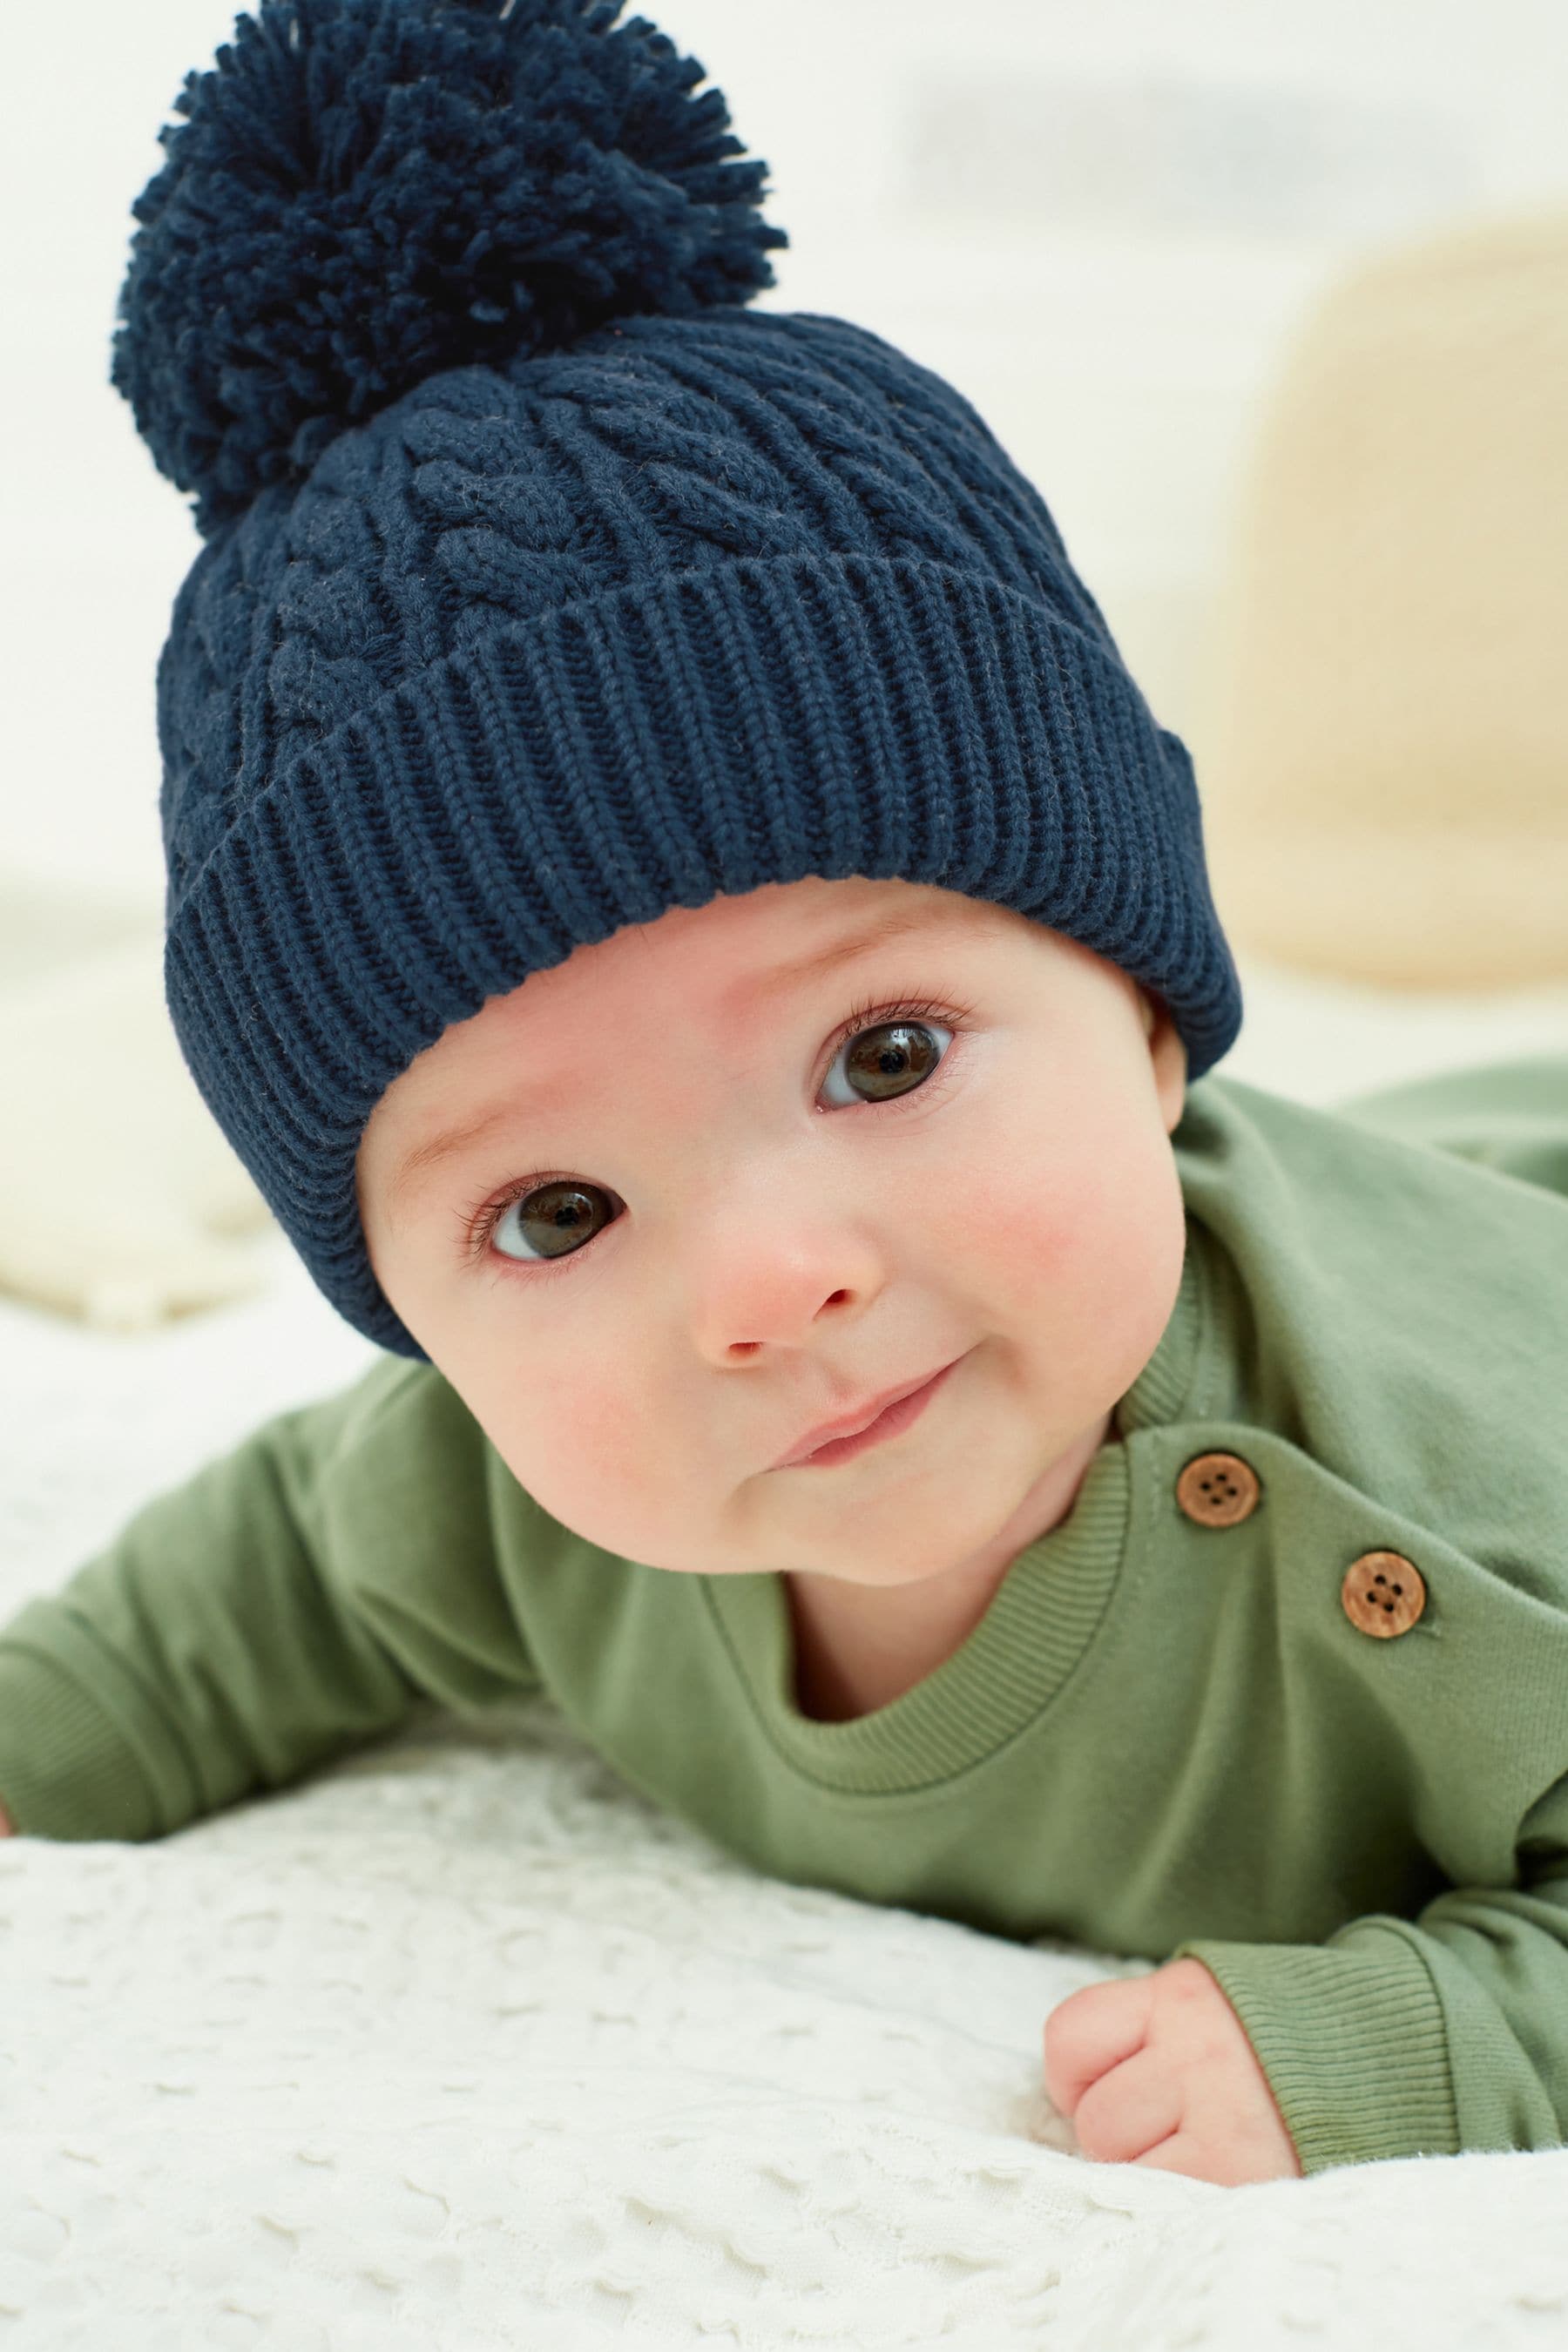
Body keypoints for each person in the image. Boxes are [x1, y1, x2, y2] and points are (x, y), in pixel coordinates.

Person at [2, 0, 1565, 2193]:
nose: (772, 1283)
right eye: (554, 1214)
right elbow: (256, 1581)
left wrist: (1432, 2028)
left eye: (886, 1057)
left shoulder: (1458, 1494)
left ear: (1143, 1016)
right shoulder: (489, 1502)